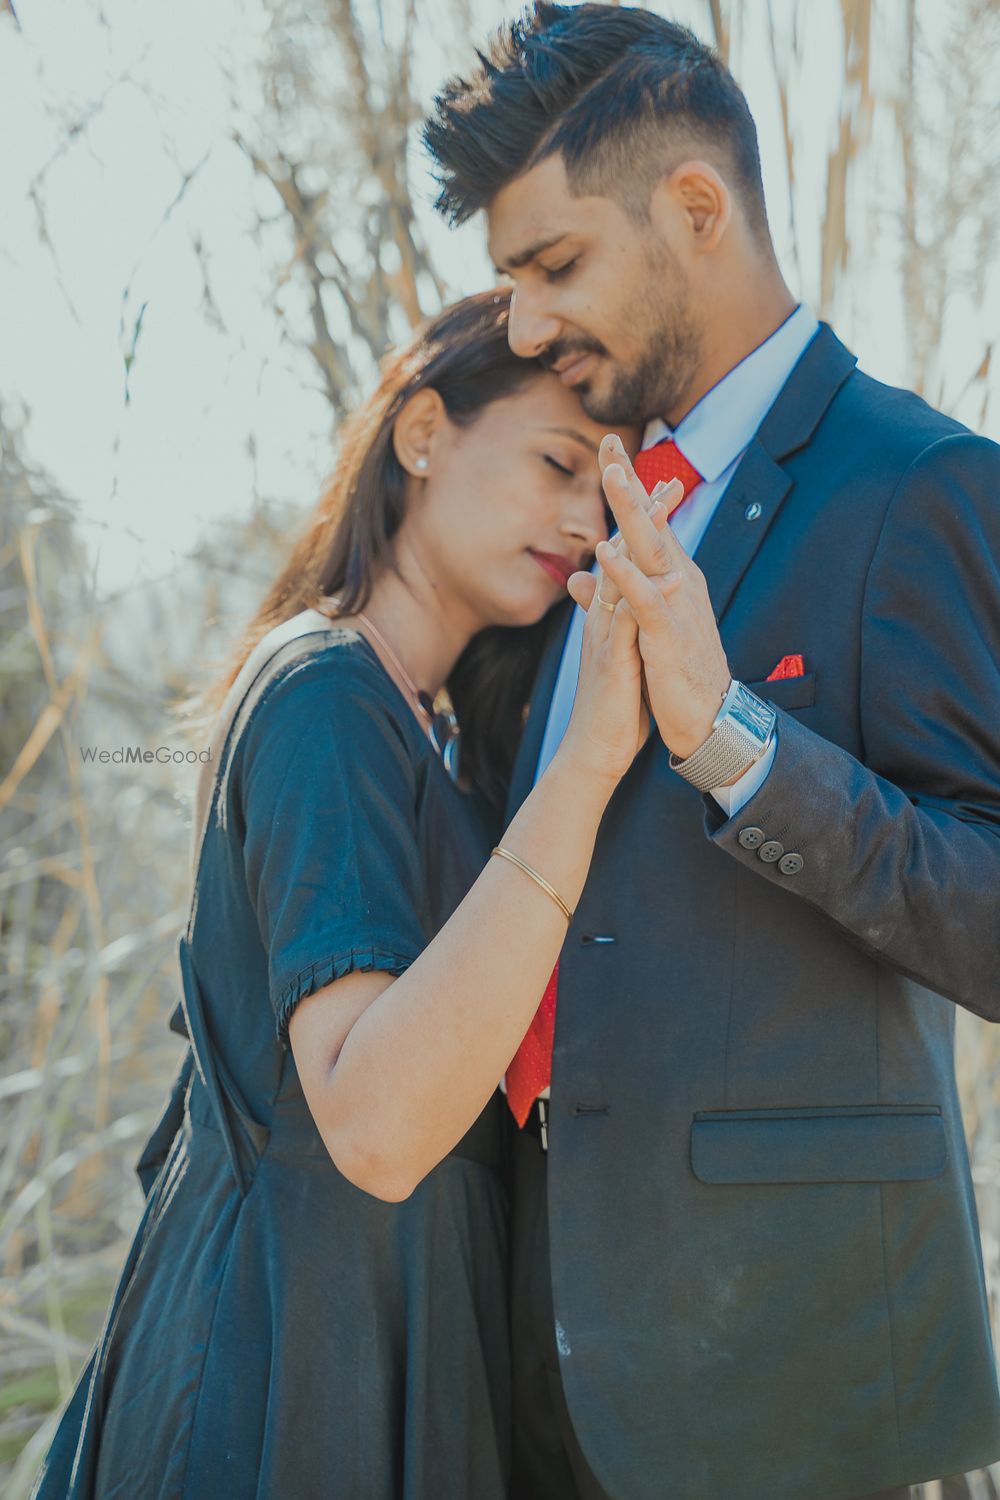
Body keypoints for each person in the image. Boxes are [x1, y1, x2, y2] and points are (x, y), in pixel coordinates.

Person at [423, 6, 1000, 1500]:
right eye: (508, 281)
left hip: (799, 1396)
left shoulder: (922, 487)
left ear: (695, 209)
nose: (528, 324)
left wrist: (739, 743)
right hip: (545, 1370)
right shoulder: (588, 507)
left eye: (554, 268)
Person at [29, 287, 662, 1499]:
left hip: (387, 1362)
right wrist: (589, 764)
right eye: (556, 463)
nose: (588, 518)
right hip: (277, 1381)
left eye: (609, 485)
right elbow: (373, 1124)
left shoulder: (439, 743)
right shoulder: (325, 696)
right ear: (421, 435)